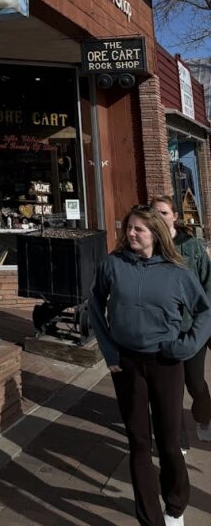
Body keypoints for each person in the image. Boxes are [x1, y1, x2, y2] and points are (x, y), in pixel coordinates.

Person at [89, 205, 211, 526]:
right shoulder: (112, 265)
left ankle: (174, 507)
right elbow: (94, 305)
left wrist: (186, 346)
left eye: (139, 229)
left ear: (155, 233)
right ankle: (150, 519)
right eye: (129, 227)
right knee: (139, 443)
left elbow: (205, 311)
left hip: (166, 363)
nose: (131, 233)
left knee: (169, 443)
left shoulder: (178, 272)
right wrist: (111, 355)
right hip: (127, 365)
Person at [151, 194, 211, 445]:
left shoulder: (192, 247)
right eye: (154, 213)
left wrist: (206, 322)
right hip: (162, 330)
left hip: (192, 328)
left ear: (175, 216)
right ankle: (177, 439)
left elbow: (207, 284)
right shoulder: (148, 247)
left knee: (195, 383)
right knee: (168, 389)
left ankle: (205, 416)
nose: (159, 218)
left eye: (164, 213)